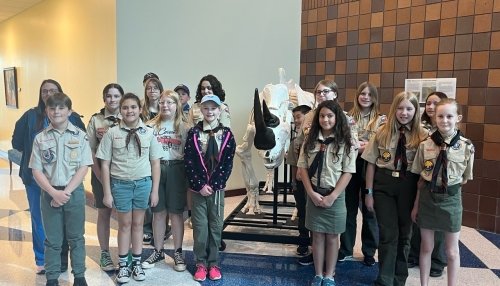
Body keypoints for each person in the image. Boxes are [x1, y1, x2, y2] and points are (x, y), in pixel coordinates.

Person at [12, 79, 84, 274]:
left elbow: (83, 146)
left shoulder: (74, 118)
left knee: (67, 224)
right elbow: (17, 142)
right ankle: (43, 260)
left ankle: (61, 261)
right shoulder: (29, 116)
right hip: (36, 180)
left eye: (53, 90)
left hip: (67, 182)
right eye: (45, 91)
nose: (48, 94)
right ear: (40, 95)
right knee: (40, 219)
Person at [362, 91, 428, 286]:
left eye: (409, 108)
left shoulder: (423, 136)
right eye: (400, 108)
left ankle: (399, 279)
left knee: (405, 235)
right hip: (384, 186)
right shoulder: (382, 132)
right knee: (388, 233)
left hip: (409, 186)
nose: (404, 112)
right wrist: (369, 193)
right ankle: (385, 279)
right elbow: (371, 164)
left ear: (416, 110)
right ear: (394, 109)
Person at [96, 93, 162, 283]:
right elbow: (105, 164)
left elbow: (155, 163)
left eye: (133, 107)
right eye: (125, 107)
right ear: (120, 110)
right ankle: (124, 265)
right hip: (120, 185)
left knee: (138, 224)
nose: (129, 111)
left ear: (139, 109)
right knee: (124, 224)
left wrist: (155, 190)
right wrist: (107, 192)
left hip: (143, 184)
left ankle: (137, 263)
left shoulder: (149, 132)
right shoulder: (112, 133)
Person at [29, 93, 93, 286]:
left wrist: (65, 192)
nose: (56, 111)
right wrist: (53, 192)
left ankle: (80, 276)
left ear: (69, 111)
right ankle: (52, 277)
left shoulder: (80, 136)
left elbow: (83, 167)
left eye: (61, 108)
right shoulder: (40, 138)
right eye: (52, 108)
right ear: (47, 111)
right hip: (49, 193)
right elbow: (36, 170)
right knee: (53, 240)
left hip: (73, 193)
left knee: (76, 237)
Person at [411, 98, 474, 286]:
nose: (444, 120)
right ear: (434, 118)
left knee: (452, 251)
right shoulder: (425, 145)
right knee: (426, 246)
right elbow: (421, 179)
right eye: (440, 116)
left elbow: (464, 178)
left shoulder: (466, 146)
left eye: (449, 116)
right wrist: (415, 206)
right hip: (427, 198)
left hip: (451, 199)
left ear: (458, 118)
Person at [295, 79, 358, 266]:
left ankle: (336, 259)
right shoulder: (309, 117)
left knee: (333, 232)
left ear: (335, 93)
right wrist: (299, 170)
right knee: (314, 228)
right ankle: (316, 259)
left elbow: (352, 149)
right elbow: (300, 142)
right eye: (318, 92)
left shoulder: (345, 119)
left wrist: (333, 194)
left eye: (326, 91)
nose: (321, 95)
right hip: (312, 176)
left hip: (335, 177)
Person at [184, 94, 236, 281]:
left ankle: (213, 263)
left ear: (220, 110)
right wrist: (199, 185)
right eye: (206, 108)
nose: (210, 111)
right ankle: (200, 263)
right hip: (198, 189)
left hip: (217, 189)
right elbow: (189, 161)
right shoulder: (194, 133)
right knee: (200, 227)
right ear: (201, 110)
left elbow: (227, 163)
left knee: (215, 226)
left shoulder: (227, 134)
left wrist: (214, 185)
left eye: (213, 108)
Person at [142, 90, 190, 272]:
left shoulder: (184, 127)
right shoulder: (150, 126)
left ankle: (178, 252)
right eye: (162, 102)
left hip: (177, 168)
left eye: (169, 102)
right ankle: (158, 250)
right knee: (158, 212)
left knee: (176, 213)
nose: (165, 105)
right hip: (156, 168)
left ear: (177, 105)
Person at [338, 82, 386, 266]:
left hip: (371, 165)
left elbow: (380, 143)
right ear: (357, 95)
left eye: (369, 94)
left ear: (374, 97)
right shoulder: (347, 117)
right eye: (362, 93)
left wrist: (361, 146)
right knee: (348, 207)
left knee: (370, 209)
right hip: (350, 164)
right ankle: (346, 248)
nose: (365, 97)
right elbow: (344, 140)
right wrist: (362, 146)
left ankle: (368, 251)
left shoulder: (382, 120)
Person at [408, 92, 449, 277]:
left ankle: (438, 260)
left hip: (440, 182)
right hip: (419, 176)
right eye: (428, 103)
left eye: (436, 103)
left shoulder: (448, 129)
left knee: (438, 224)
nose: (431, 107)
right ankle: (415, 253)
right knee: (417, 220)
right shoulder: (419, 126)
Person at [86, 83, 124, 271]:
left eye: (116, 96)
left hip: (124, 173)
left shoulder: (129, 117)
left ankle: (127, 254)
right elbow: (90, 151)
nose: (112, 99)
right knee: (104, 212)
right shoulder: (96, 120)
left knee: (127, 215)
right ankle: (104, 253)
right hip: (101, 171)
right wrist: (100, 176)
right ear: (104, 99)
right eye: (109, 96)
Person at [141, 76, 168, 245]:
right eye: (149, 88)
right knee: (148, 193)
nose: (152, 91)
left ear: (160, 90)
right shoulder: (141, 110)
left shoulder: (165, 108)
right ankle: (147, 228)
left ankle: (162, 229)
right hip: (145, 157)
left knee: (161, 195)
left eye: (155, 88)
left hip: (164, 157)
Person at [286, 104, 312, 256]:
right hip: (301, 184)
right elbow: (294, 165)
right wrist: (294, 183)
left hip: (316, 183)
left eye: (299, 117)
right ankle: (303, 241)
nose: (296, 121)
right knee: (302, 212)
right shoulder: (295, 142)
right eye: (294, 118)